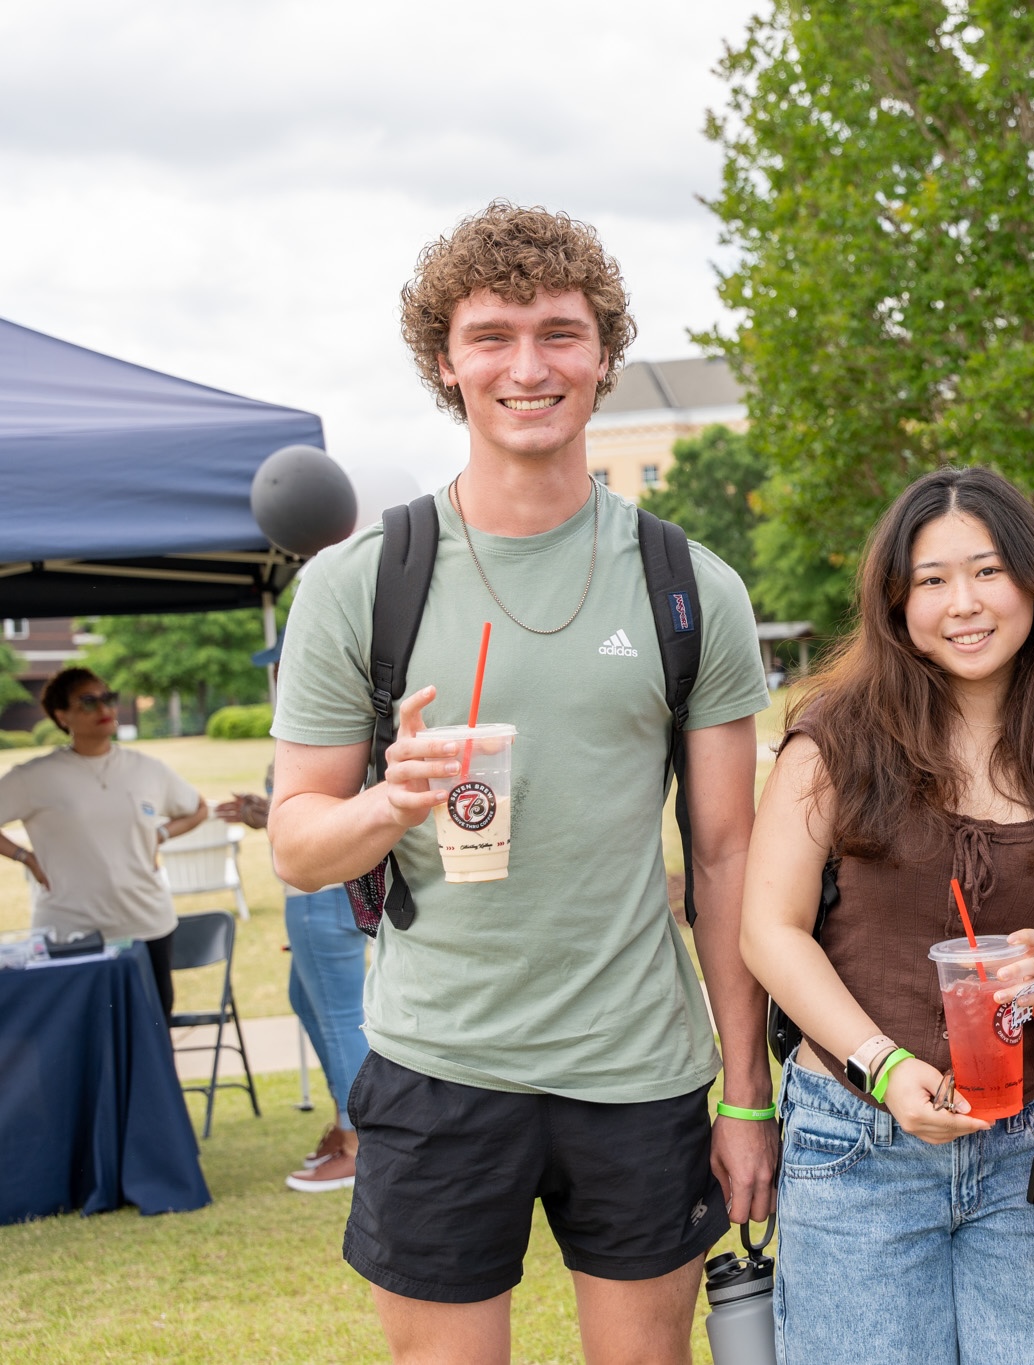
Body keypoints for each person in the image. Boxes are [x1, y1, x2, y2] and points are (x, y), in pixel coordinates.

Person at [266, 202, 776, 1364]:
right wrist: (389, 803)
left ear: (603, 354)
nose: (528, 367)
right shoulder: (359, 584)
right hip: (437, 1064)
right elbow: (296, 845)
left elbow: (726, 856)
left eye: (559, 333)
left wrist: (746, 1097)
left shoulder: (688, 586)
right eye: (491, 336)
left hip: (637, 1065)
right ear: (445, 362)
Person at [741, 466, 1034, 1363]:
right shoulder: (835, 741)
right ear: (897, 600)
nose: (964, 602)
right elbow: (769, 930)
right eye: (932, 579)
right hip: (856, 1139)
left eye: (988, 570)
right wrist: (882, 1066)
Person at [0, 668, 208, 1025]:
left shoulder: (146, 769)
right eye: (88, 701)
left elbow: (197, 808)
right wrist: (25, 857)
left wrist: (158, 835)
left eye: (107, 698)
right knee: (80, 1038)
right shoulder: (34, 776)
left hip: (146, 923)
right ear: (62, 716)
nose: (103, 708)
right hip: (70, 930)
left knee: (153, 1035)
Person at [219, 772, 367, 1194]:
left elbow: (335, 806)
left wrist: (274, 815)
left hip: (323, 889)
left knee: (340, 1018)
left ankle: (360, 1146)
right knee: (305, 1001)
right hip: (319, 889)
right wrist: (267, 813)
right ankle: (347, 1125)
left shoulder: (323, 732)